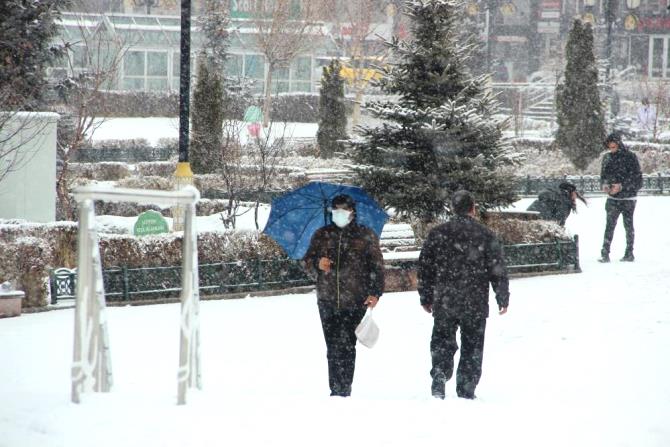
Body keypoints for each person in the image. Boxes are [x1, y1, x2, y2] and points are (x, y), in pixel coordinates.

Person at [417, 190, 509, 400]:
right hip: (474, 299)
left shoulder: (438, 233)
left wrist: (426, 296)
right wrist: (502, 296)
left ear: (452, 208)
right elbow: (497, 269)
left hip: (445, 298)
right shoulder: (485, 235)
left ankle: (439, 373)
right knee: (472, 345)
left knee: (442, 340)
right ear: (473, 208)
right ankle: (466, 388)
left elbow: (425, 267)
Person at [303, 194, 385, 397]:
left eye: (344, 209)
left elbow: (377, 266)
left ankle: (345, 388)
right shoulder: (321, 234)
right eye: (336, 210)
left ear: (352, 212)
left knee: (348, 346)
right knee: (332, 347)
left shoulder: (365, 235)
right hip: (327, 300)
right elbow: (306, 262)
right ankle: (335, 389)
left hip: (355, 300)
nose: (339, 213)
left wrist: (375, 292)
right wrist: (317, 265)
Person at [599, 132, 643, 262]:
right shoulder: (607, 158)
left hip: (628, 199)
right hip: (612, 198)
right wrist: (605, 185)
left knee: (628, 226)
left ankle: (629, 253)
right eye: (609, 147)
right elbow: (603, 176)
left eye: (613, 147)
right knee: (609, 226)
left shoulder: (630, 157)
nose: (611, 150)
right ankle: (605, 253)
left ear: (619, 144)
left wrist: (622, 186)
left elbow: (638, 180)